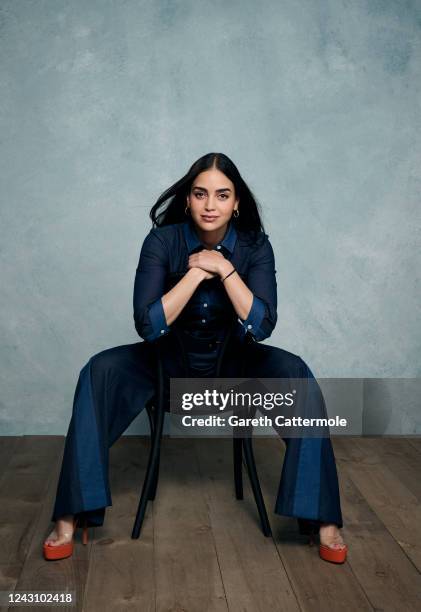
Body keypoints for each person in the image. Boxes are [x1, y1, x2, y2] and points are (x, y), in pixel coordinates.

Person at [43, 152, 347, 563]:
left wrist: (224, 269)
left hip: (235, 365)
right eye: (200, 194)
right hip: (165, 363)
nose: (210, 205)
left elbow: (261, 324)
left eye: (222, 195)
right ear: (187, 199)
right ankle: (69, 516)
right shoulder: (161, 241)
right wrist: (193, 274)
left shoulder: (256, 245)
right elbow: (148, 326)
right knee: (98, 371)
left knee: (297, 374)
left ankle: (322, 520)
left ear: (236, 203)